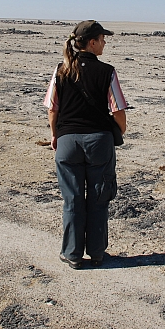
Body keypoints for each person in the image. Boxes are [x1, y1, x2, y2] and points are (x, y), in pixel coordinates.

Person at [43, 20, 128, 269]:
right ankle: (98, 252)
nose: (104, 43)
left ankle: (72, 253)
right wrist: (119, 132)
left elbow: (52, 109)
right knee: (99, 198)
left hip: (68, 142)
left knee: (73, 199)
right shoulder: (108, 72)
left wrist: (55, 135)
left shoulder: (61, 70)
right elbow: (118, 110)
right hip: (99, 142)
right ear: (91, 43)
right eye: (102, 39)